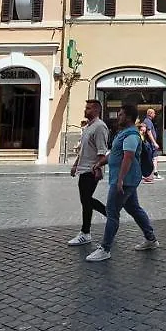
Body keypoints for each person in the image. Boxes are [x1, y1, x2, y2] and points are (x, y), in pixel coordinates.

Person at [86, 101, 159, 263]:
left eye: (121, 115)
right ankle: (151, 239)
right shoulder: (123, 133)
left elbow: (128, 156)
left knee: (112, 212)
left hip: (125, 181)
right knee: (134, 208)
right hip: (126, 180)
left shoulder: (132, 135)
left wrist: (119, 180)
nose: (118, 117)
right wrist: (100, 163)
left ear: (129, 117)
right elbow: (114, 154)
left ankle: (105, 248)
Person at [68, 99, 109, 246]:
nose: (86, 110)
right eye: (86, 108)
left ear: (97, 110)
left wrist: (98, 168)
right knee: (85, 201)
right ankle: (87, 231)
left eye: (89, 108)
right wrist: (75, 165)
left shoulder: (99, 127)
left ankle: (88, 231)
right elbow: (83, 150)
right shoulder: (88, 127)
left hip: (91, 170)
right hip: (83, 169)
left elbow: (102, 151)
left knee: (86, 200)